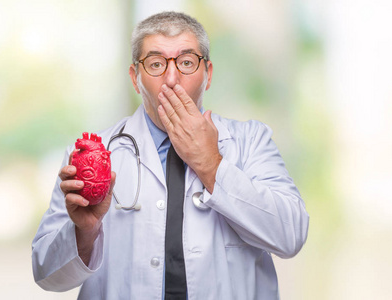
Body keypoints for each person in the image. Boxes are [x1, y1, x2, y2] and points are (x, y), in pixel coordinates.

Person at [32, 11, 309, 299]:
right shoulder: (93, 153)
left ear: (208, 75)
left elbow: (291, 236)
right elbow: (46, 274)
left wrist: (212, 165)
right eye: (156, 64)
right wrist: (84, 233)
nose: (172, 79)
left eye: (187, 62)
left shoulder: (251, 141)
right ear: (135, 78)